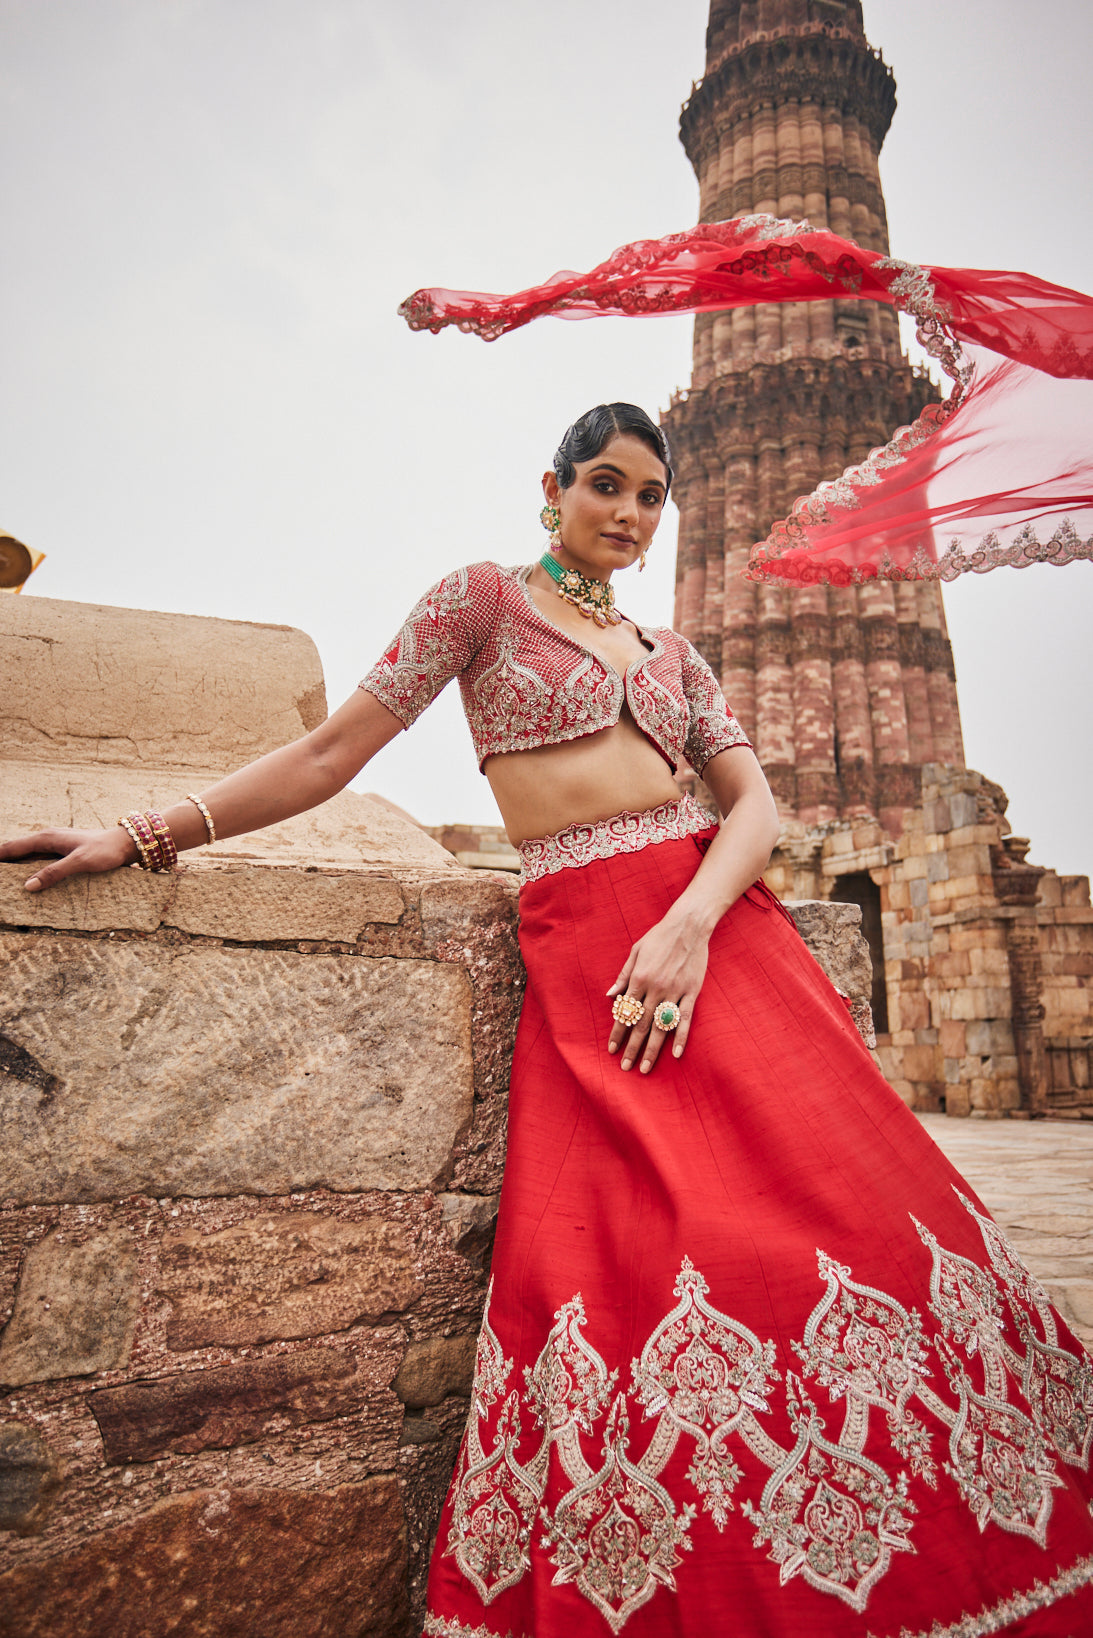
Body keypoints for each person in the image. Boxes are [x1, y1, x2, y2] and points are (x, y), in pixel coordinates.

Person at [3, 403, 1092, 1638]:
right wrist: (140, 834)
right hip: (591, 950)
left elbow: (754, 812)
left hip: (716, 942)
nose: (626, 516)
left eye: (648, 499)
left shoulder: (671, 652)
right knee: (647, 1259)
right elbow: (328, 755)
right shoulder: (478, 602)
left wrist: (687, 927)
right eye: (606, 487)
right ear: (553, 487)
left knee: (868, 1223)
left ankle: (947, 1553)